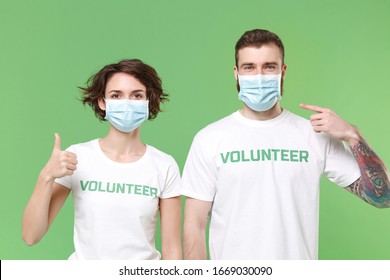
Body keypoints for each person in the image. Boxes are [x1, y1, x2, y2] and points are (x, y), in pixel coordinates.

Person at [181, 29, 390, 260]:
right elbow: (194, 226)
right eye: (249, 67)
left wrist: (353, 135)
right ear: (236, 73)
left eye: (269, 66)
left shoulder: (313, 135)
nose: (259, 76)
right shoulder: (210, 139)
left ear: (283, 71)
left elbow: (384, 196)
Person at [22, 59, 182, 260]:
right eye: (116, 95)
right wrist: (46, 175)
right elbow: (30, 235)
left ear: (148, 102)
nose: (126, 103)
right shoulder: (78, 158)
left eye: (137, 95)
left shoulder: (164, 165)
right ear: (102, 102)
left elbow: (172, 250)